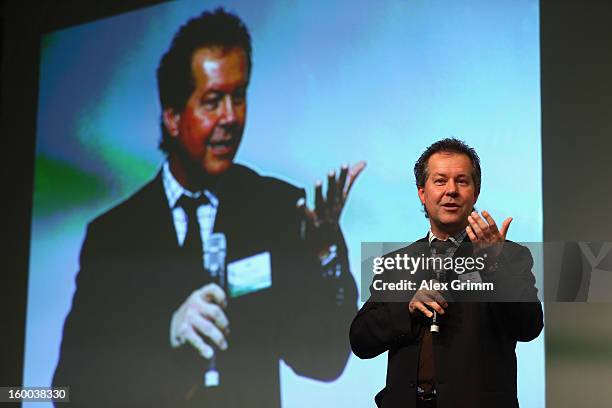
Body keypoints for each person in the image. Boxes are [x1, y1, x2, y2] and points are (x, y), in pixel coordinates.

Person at [53, 8, 363, 407]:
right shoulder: (112, 237)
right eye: (213, 101)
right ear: (172, 117)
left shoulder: (277, 208)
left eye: (239, 96)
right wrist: (166, 335)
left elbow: (324, 361)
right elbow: (66, 391)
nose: (231, 117)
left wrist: (323, 255)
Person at [349, 138, 543, 408]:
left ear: (475, 193)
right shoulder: (397, 262)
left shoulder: (509, 255)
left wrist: (494, 267)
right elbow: (361, 339)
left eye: (462, 181)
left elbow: (529, 326)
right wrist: (407, 308)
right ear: (422, 192)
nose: (451, 190)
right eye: (440, 181)